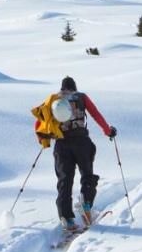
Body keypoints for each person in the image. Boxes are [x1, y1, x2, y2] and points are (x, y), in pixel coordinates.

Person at [30, 76, 117, 232]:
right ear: (74, 87)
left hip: (61, 145)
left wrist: (43, 140)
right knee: (87, 174)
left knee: (65, 180)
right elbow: (96, 114)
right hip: (82, 142)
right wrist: (108, 131)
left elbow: (39, 121)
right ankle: (86, 203)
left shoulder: (53, 100)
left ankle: (66, 218)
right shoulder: (81, 97)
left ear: (62, 88)